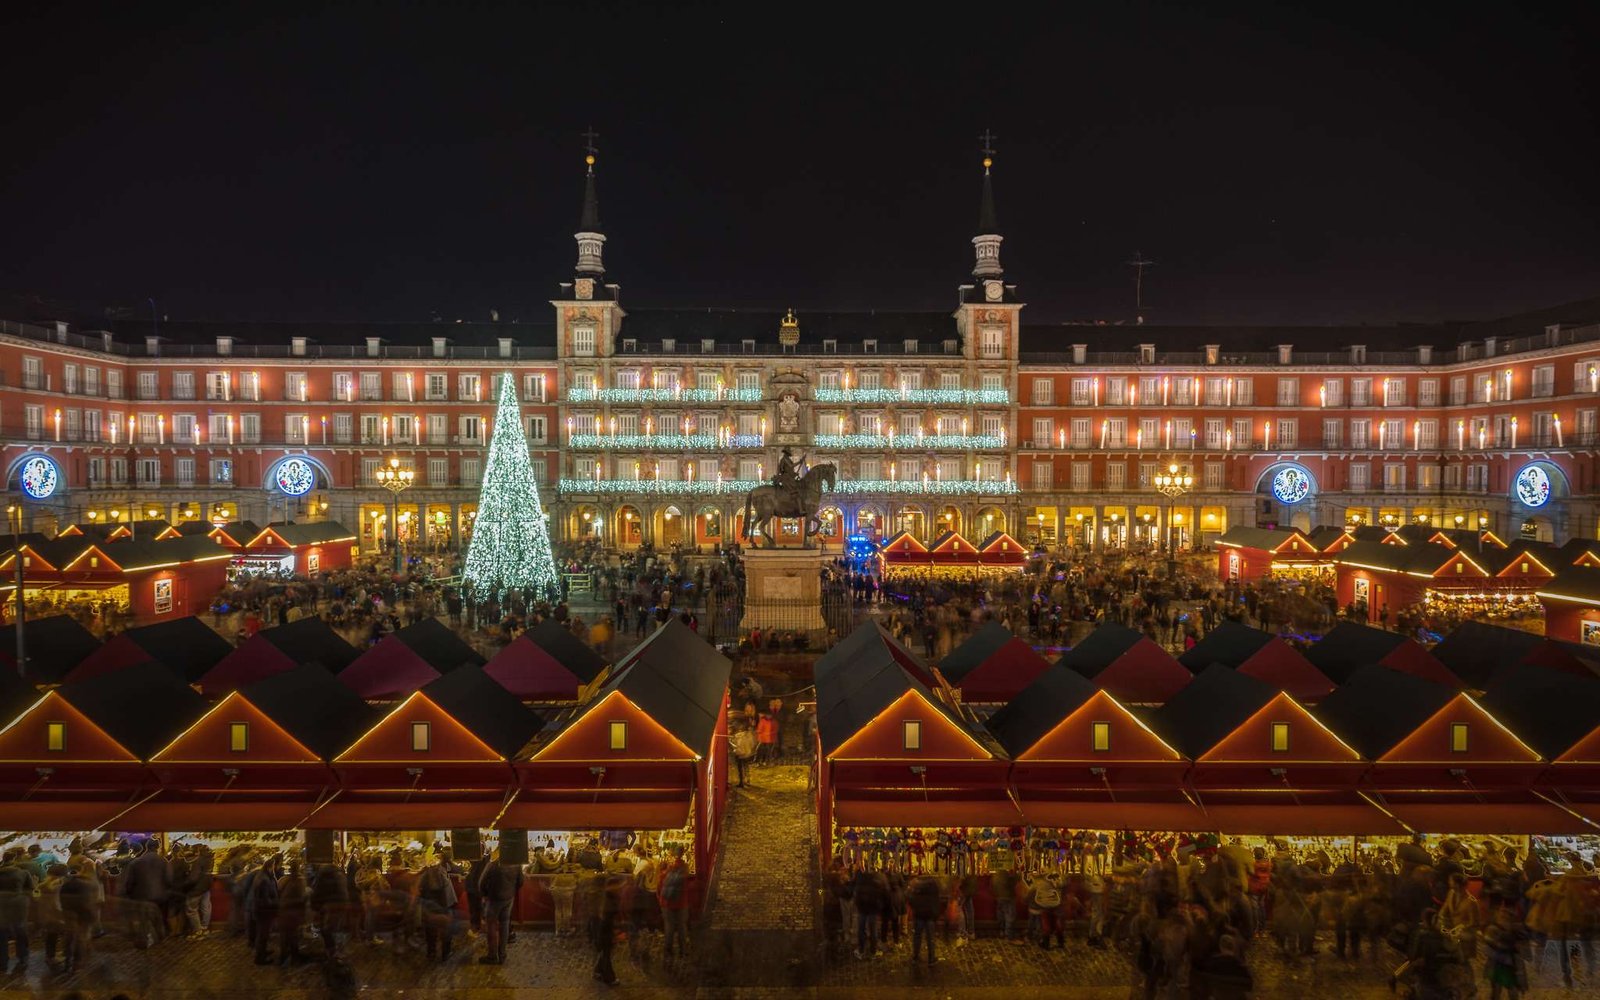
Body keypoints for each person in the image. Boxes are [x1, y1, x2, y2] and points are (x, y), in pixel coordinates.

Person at [477, 850, 519, 965]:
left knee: (491, 926)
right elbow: (521, 882)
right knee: (504, 925)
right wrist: (512, 892)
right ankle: (502, 954)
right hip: (508, 899)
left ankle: (492, 956)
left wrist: (486, 894)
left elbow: (481, 883)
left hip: (494, 899)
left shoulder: (493, 865)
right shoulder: (517, 864)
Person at [415, 856, 457, 962]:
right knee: (446, 931)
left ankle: (431, 952)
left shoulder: (424, 876)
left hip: (430, 908)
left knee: (430, 931)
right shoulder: (443, 875)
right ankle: (446, 953)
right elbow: (449, 894)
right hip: (444, 907)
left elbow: (419, 891)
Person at [0, 850, 34, 974]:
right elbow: (31, 889)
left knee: (1, 933)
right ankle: (22, 958)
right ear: (14, 859)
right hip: (18, 904)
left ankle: (2, 962)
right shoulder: (23, 873)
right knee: (20, 931)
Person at [657, 846, 690, 962]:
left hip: (667, 904)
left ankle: (668, 953)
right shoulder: (685, 869)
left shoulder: (667, 871)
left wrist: (661, 900)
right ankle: (683, 952)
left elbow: (660, 887)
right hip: (681, 903)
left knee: (669, 928)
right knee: (682, 927)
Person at [907, 870, 940, 967]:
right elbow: (936, 899)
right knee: (930, 937)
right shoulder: (933, 884)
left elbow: (909, 897)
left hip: (919, 914)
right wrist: (935, 913)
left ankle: (915, 956)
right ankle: (931, 958)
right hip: (930, 914)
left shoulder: (915, 884)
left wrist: (914, 907)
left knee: (917, 936)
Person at [183, 844, 215, 936]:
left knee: (191, 910)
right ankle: (205, 927)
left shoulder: (199, 861)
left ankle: (198, 931)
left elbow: (193, 878)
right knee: (206, 907)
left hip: (197, 888)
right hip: (206, 887)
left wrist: (185, 883)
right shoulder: (210, 859)